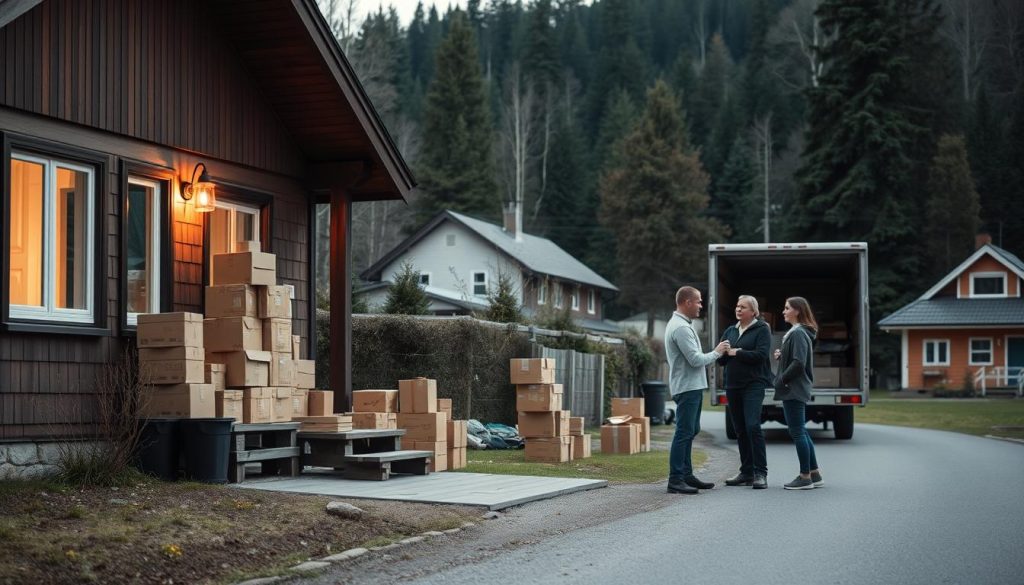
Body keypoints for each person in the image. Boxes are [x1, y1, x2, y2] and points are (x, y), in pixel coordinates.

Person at [664, 286, 730, 494]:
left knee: (691, 430)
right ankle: (675, 479)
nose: (701, 306)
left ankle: (686, 475)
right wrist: (717, 352)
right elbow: (695, 360)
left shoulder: (682, 324)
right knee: (684, 433)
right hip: (687, 387)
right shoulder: (681, 328)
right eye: (699, 301)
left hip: (691, 386)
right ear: (687, 302)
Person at [717, 295, 771, 489]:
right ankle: (746, 472)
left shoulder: (762, 329)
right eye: (737, 306)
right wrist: (721, 351)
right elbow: (721, 360)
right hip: (732, 385)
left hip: (753, 385)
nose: (738, 309)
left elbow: (761, 356)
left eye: (743, 307)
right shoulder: (730, 331)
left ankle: (760, 473)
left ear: (753, 312)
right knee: (740, 429)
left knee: (752, 426)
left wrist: (736, 352)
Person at [773, 296, 825, 490]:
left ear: (797, 311)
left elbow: (799, 363)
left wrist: (782, 379)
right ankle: (815, 474)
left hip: (793, 389)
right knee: (801, 431)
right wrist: (782, 356)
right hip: (794, 388)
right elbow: (795, 358)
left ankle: (804, 477)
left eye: (787, 308)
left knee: (797, 432)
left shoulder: (798, 333)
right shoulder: (797, 333)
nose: (783, 311)